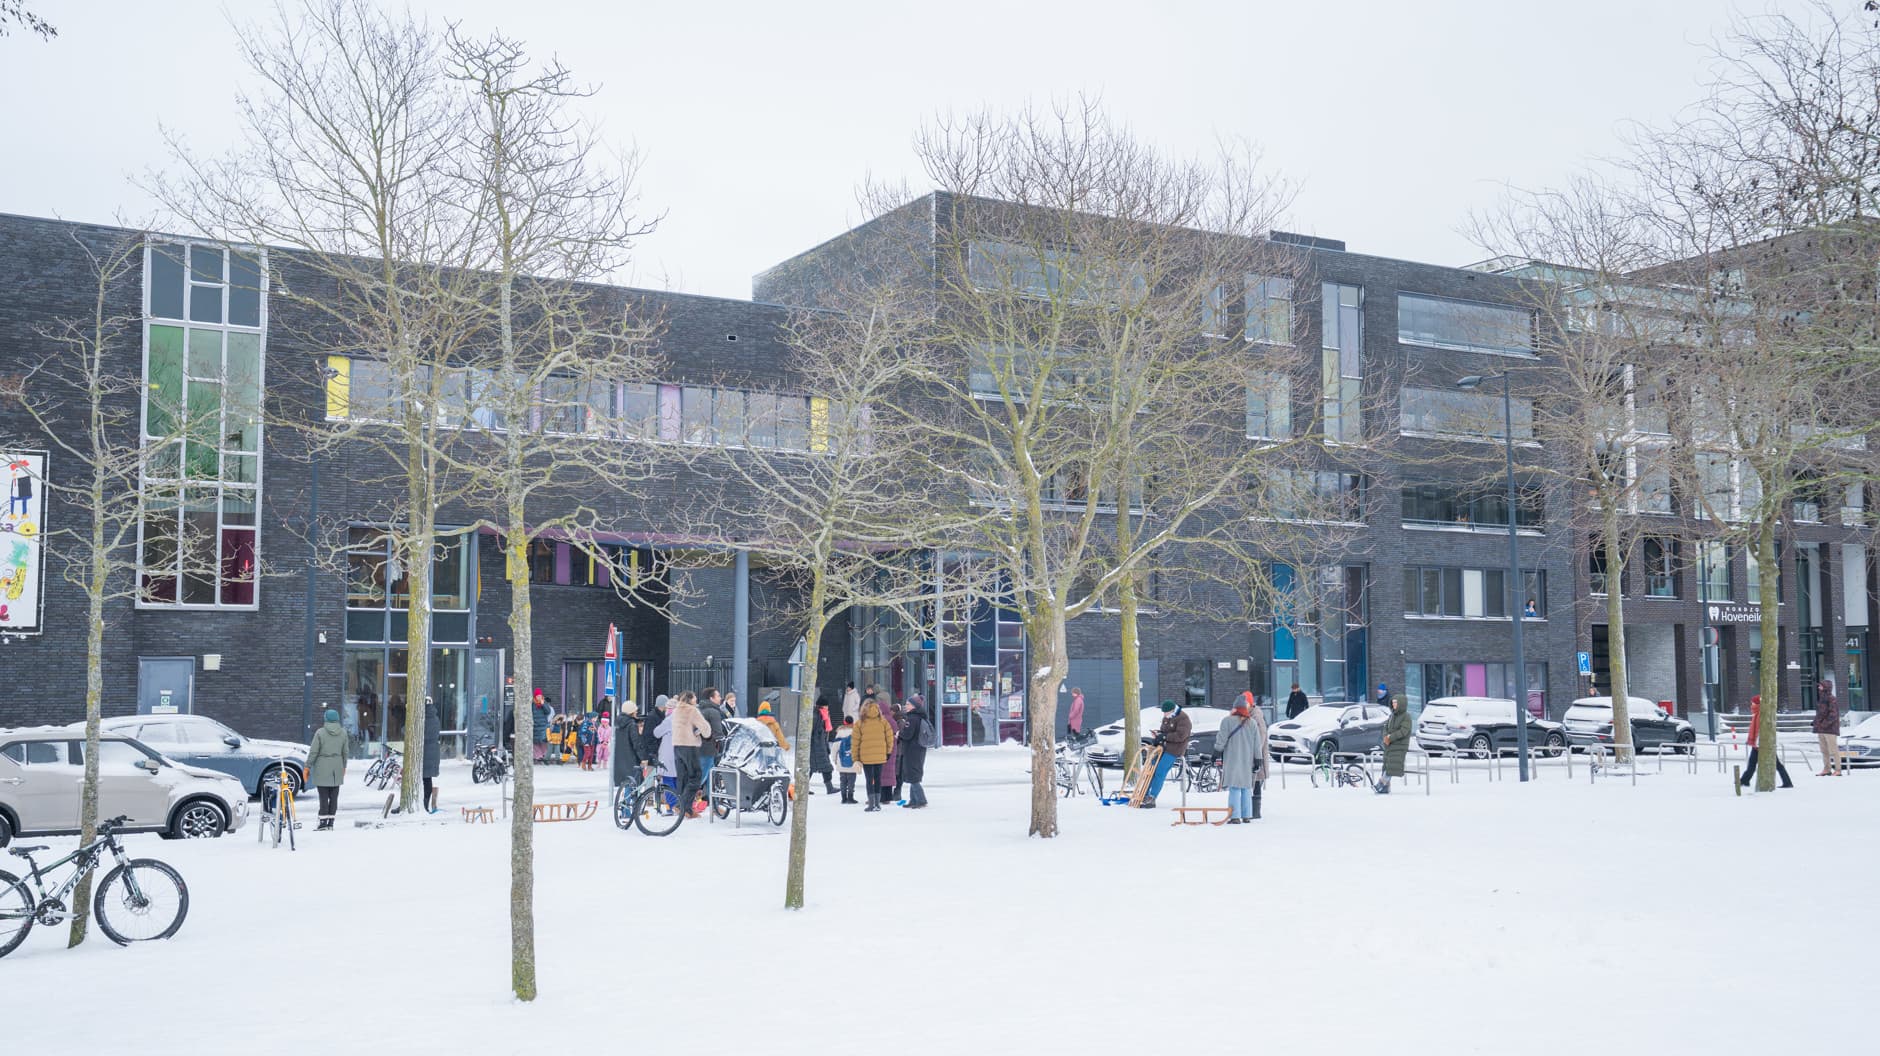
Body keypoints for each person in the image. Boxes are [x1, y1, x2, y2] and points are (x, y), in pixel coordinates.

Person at [1214, 692, 1267, 824]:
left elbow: (1221, 740)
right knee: (1246, 788)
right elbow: (1257, 744)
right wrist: (1258, 760)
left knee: (1234, 788)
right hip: (1248, 760)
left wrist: (1216, 753)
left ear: (1235, 708)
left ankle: (1235, 816)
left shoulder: (1227, 721)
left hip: (1232, 759)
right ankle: (1247, 815)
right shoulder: (1252, 723)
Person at [666, 691, 712, 815]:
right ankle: (681, 806)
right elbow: (705, 729)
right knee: (696, 777)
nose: (696, 699)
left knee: (683, 778)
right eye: (694, 697)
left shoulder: (676, 711)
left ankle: (686, 810)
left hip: (677, 746)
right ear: (690, 699)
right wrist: (701, 733)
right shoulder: (692, 710)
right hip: (690, 746)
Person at [1141, 700, 1191, 809]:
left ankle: (1152, 797)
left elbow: (1181, 736)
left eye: (1166, 713)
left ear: (1172, 710)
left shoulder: (1183, 718)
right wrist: (1158, 734)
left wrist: (1164, 737)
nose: (1164, 715)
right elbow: (1164, 731)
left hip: (1175, 749)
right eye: (1163, 713)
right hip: (1162, 747)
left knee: (1160, 771)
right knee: (1151, 769)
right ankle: (1143, 794)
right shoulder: (1167, 717)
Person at [1739, 694, 1793, 789]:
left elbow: (1761, 730)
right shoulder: (1758, 714)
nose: (1751, 705)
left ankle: (1787, 782)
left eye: (1753, 703)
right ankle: (1744, 780)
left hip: (1761, 744)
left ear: (1758, 704)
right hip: (1758, 744)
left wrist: (1757, 742)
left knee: (1776, 764)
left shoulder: (1761, 714)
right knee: (1753, 763)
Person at [307, 708, 349, 830]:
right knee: (334, 797)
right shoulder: (343, 733)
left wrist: (307, 766)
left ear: (326, 718)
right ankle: (331, 823)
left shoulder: (320, 733)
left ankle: (322, 823)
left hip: (322, 767)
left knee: (323, 797)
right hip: (337, 766)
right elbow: (345, 752)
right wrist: (344, 766)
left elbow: (313, 752)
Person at [853, 700, 894, 812]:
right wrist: (888, 752)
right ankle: (877, 803)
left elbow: (855, 742)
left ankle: (871, 804)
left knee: (869, 780)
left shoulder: (859, 723)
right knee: (878, 779)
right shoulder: (883, 721)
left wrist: (856, 759)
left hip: (866, 757)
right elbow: (890, 738)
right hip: (880, 756)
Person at [897, 696, 930, 808]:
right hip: (919, 749)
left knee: (913, 775)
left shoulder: (912, 719)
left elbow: (907, 735)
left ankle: (921, 800)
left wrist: (899, 734)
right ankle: (913, 799)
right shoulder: (920, 717)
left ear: (914, 706)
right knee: (913, 774)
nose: (906, 706)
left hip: (912, 750)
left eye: (908, 704)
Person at [1377, 695, 1410, 794]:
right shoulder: (1392, 716)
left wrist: (1390, 737)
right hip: (1390, 745)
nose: (1394, 704)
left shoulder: (1406, 716)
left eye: (1396, 702)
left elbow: (1404, 731)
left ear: (1401, 703)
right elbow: (1385, 727)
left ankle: (1381, 783)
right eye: (1393, 702)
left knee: (1392, 764)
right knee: (1386, 765)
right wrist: (1385, 737)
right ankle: (1386, 788)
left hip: (1400, 745)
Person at [697, 687, 727, 789]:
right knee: (703, 777)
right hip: (709, 748)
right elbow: (718, 733)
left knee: (709, 776)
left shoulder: (699, 710)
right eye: (718, 696)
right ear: (711, 698)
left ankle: (713, 802)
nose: (720, 698)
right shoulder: (713, 712)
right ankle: (686, 799)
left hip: (698, 747)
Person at [1814, 678, 1843, 777]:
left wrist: (1824, 724)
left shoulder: (1832, 699)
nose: (1819, 687)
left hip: (1830, 729)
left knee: (1833, 750)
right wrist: (1815, 722)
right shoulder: (1822, 699)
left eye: (1821, 685)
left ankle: (1838, 770)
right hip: (1821, 729)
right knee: (1824, 750)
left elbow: (1833, 715)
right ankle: (1827, 769)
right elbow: (1821, 713)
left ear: (1826, 687)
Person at [809, 693, 836, 794]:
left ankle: (829, 788)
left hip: (821, 746)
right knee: (815, 768)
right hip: (815, 746)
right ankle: (829, 788)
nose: (827, 707)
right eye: (826, 705)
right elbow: (813, 732)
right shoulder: (816, 715)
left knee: (824, 767)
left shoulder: (823, 714)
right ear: (822, 705)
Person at [835, 715, 860, 804]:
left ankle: (843, 798)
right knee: (851, 781)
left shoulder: (840, 732)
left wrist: (834, 759)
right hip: (852, 761)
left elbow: (835, 748)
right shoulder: (856, 732)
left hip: (841, 761)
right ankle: (850, 798)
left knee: (843, 780)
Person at [530, 689, 550, 763]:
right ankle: (538, 756)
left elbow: (548, 711)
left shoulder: (544, 703)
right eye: (537, 696)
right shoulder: (532, 704)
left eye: (540, 695)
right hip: (535, 726)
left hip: (543, 726)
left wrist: (543, 704)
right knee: (535, 742)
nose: (539, 697)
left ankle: (545, 755)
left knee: (543, 741)